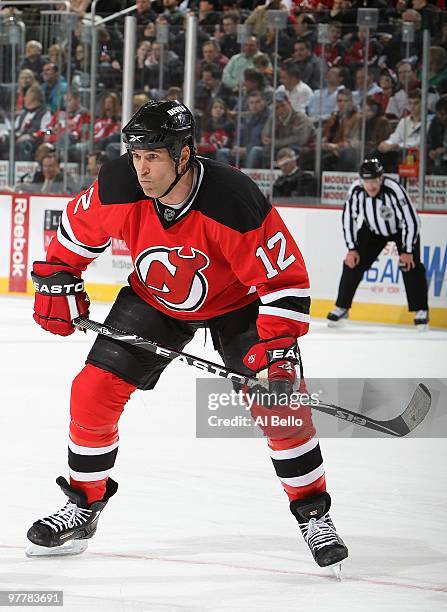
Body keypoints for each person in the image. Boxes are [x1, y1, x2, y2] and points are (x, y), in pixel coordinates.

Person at [27, 100, 348, 572]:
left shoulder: (232, 199)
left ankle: (314, 514)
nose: (142, 169)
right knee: (92, 392)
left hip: (238, 306)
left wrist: (278, 349)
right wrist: (58, 275)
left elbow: (284, 280)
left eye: (153, 157)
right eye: (136, 156)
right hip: (154, 299)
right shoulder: (119, 184)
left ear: (183, 155)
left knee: (280, 407)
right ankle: (83, 506)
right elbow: (76, 234)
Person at [327, 158, 429, 329]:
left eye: (374, 181)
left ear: (381, 178)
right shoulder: (356, 190)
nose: (370, 186)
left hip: (400, 230)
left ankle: (421, 310)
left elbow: (412, 221)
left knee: (410, 265)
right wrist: (352, 248)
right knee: (352, 263)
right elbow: (348, 219)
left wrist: (408, 250)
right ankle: (342, 307)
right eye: (366, 181)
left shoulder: (394, 190)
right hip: (372, 231)